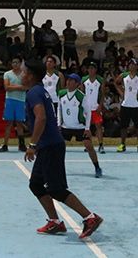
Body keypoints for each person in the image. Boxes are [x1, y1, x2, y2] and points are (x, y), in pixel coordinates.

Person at [22, 58, 103, 238]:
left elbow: (41, 118)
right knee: (36, 184)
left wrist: (32, 145)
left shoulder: (34, 92)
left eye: (24, 71)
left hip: (50, 145)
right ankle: (55, 222)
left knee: (56, 189)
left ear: (31, 75)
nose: (21, 74)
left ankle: (90, 217)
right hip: (48, 145)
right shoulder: (38, 91)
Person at [57, 74, 102, 178]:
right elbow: (59, 109)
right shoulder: (61, 93)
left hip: (79, 127)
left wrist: (87, 128)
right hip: (65, 127)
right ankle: (58, 168)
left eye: (72, 80)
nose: (68, 82)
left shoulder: (81, 96)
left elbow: (88, 112)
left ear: (77, 84)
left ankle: (97, 167)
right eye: (68, 80)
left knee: (89, 146)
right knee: (58, 147)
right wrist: (58, 124)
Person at [0, 56, 27, 152]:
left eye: (17, 62)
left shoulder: (24, 74)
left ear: (20, 63)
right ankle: (5, 144)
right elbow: (6, 87)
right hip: (10, 100)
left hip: (20, 100)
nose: (15, 64)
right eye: (13, 62)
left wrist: (13, 86)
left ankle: (22, 144)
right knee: (9, 123)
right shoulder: (7, 74)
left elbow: (25, 87)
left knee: (19, 123)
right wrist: (19, 87)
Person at [81, 62, 106, 154]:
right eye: (89, 68)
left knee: (98, 126)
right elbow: (82, 93)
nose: (91, 70)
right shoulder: (84, 79)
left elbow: (102, 94)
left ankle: (101, 145)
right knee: (87, 127)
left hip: (96, 107)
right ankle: (89, 145)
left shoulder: (100, 80)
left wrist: (100, 105)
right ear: (87, 70)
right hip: (87, 107)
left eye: (93, 68)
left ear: (96, 69)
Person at [114, 58, 138, 152]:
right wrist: (121, 93)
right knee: (123, 126)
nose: (132, 66)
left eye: (134, 64)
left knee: (137, 126)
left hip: (136, 105)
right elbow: (116, 83)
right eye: (130, 64)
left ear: (137, 66)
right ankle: (122, 144)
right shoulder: (123, 75)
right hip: (126, 104)